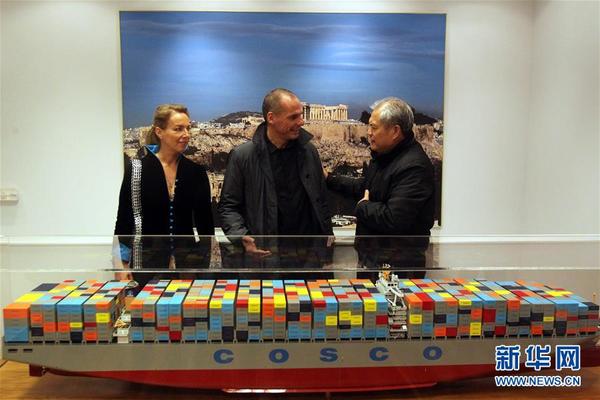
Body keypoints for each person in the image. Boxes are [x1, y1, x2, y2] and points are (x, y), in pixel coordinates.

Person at [218, 88, 332, 271]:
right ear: (271, 118)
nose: (301, 122)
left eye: (300, 115)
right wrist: (241, 237)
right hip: (265, 258)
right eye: (293, 117)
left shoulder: (309, 152)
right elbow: (228, 207)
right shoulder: (243, 157)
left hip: (308, 260)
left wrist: (326, 245)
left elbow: (321, 201)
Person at [326, 97, 435, 276]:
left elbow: (393, 218)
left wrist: (363, 207)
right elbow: (366, 188)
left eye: (373, 127)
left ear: (395, 131)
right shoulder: (386, 157)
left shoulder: (414, 168)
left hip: (396, 268)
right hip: (375, 260)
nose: (368, 132)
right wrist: (329, 179)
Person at [114, 104, 214, 285]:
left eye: (188, 128)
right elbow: (124, 220)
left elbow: (205, 226)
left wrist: (202, 266)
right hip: (145, 264)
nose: (186, 134)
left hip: (187, 267)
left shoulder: (196, 172)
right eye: (178, 129)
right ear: (159, 132)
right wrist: (121, 265)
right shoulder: (137, 169)